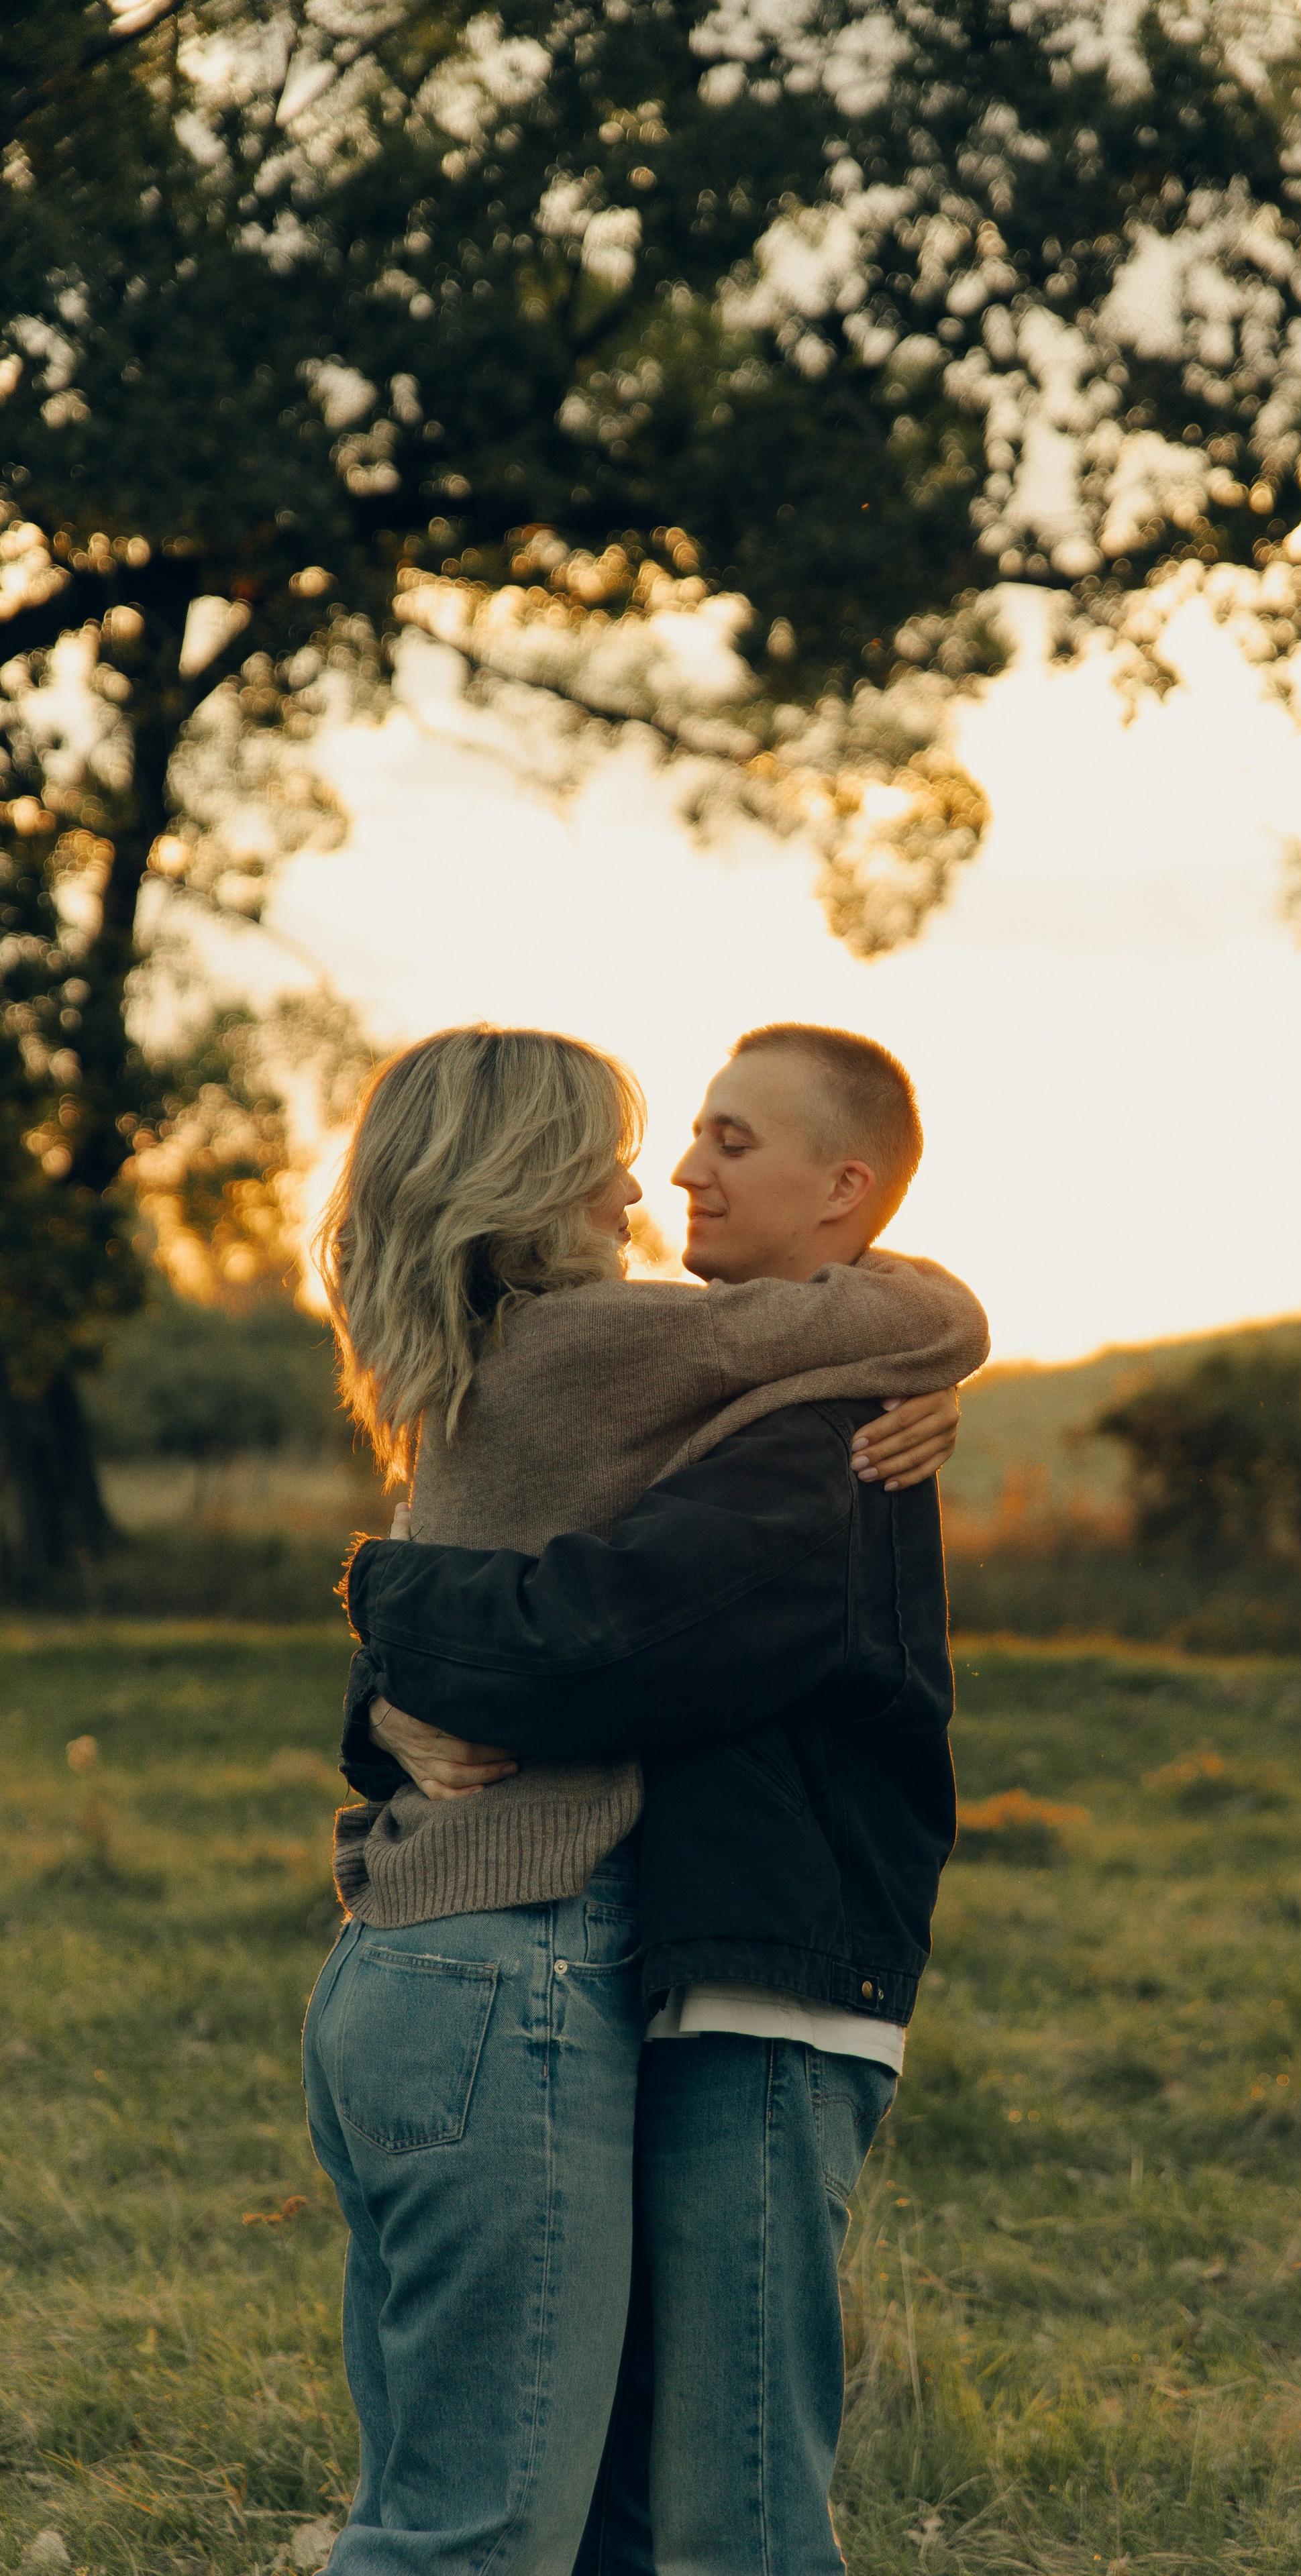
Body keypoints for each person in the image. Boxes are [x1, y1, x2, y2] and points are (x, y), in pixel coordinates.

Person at [304, 1022, 987, 2576]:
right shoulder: (608, 1348)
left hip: (413, 1958)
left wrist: (384, 1649)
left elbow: (556, 1616)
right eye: (620, 1147)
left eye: (716, 1141)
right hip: (509, 1967)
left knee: (516, 2508)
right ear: (526, 1182)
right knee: (477, 2536)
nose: (649, 1179)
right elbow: (913, 1316)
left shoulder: (478, 1364)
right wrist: (933, 1344)